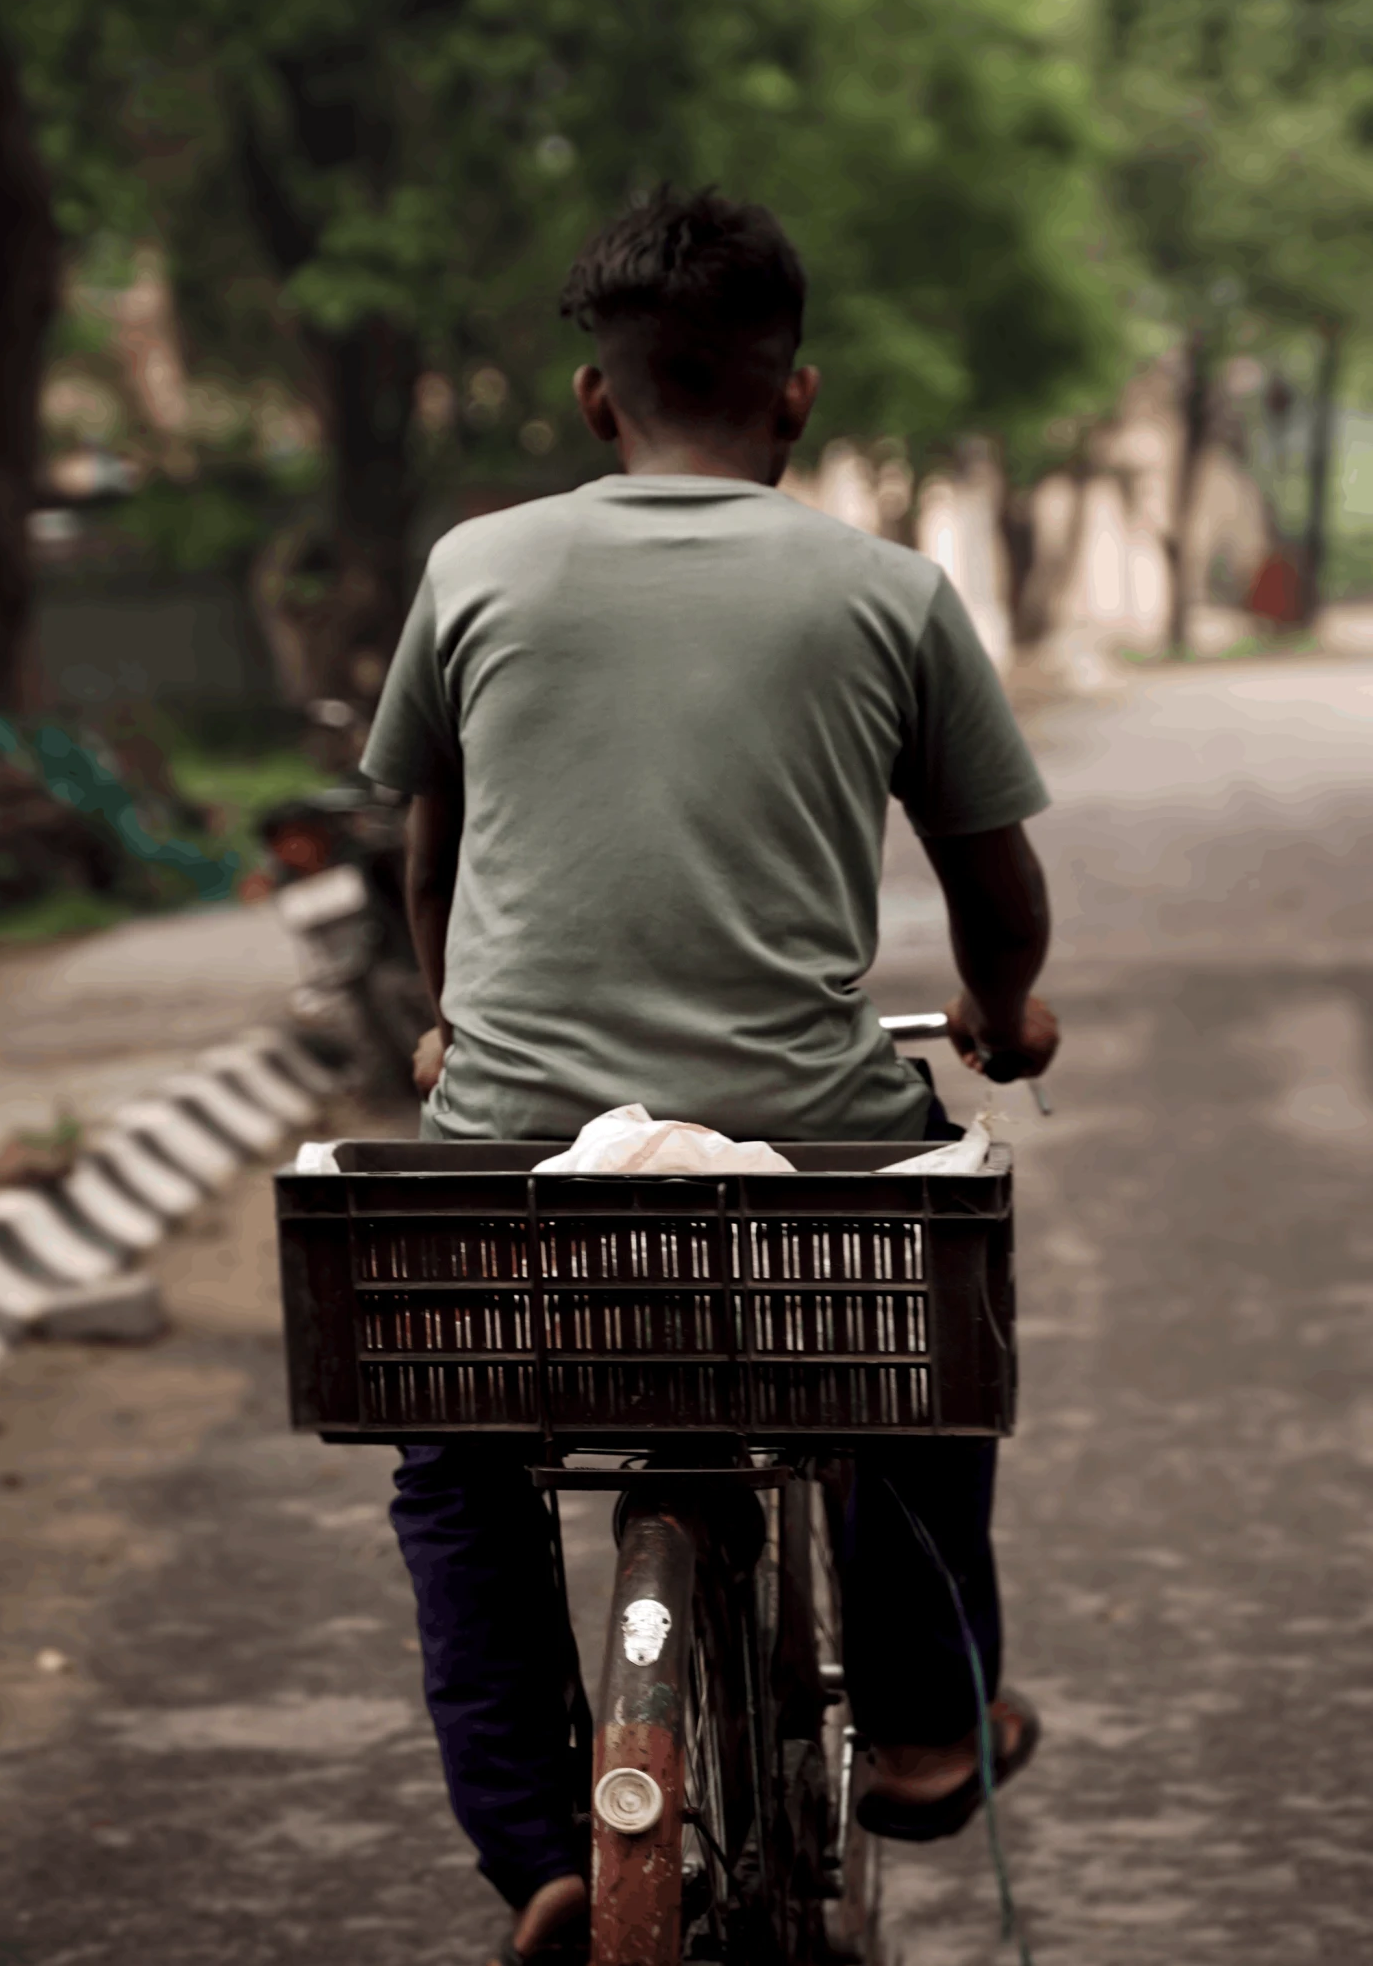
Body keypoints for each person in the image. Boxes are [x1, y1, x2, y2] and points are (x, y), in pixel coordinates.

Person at [359, 186, 1059, 1964]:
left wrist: (456, 1017)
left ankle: (537, 1847)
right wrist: (1004, 1006)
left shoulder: (472, 568)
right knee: (915, 1358)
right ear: (796, 395)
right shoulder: (886, 590)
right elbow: (994, 878)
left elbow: (431, 856)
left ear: (597, 402)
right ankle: (915, 1725)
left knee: (458, 1461)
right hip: (805, 1131)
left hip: (518, 1140)